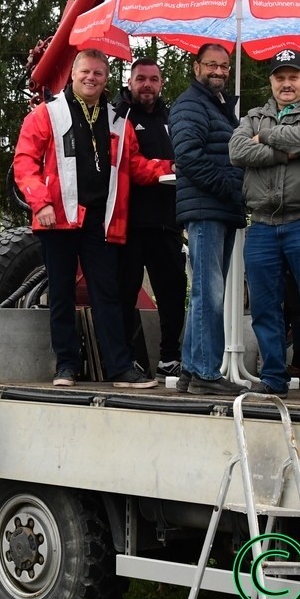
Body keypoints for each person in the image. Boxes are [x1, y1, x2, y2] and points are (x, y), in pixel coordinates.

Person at [13, 48, 172, 389]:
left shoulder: (118, 120)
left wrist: (171, 169)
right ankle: (66, 366)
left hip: (101, 220)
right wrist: (41, 203)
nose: (91, 78)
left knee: (108, 294)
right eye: (85, 71)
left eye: (98, 73)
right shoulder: (46, 115)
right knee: (61, 294)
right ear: (73, 74)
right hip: (57, 219)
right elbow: (25, 163)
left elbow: (136, 164)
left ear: (107, 79)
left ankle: (119, 368)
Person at [229, 50, 300, 402]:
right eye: (280, 77)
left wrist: (266, 137)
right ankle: (273, 375)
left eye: (294, 76)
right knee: (263, 306)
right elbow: (237, 151)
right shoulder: (253, 116)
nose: (286, 83)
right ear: (271, 82)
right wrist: (286, 149)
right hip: (261, 224)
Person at [168, 44, 248, 396]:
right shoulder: (190, 104)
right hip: (206, 209)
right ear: (196, 66)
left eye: (225, 66)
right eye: (211, 65)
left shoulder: (217, 105)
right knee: (209, 293)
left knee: (205, 291)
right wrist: (231, 186)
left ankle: (190, 368)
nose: (219, 71)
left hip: (219, 209)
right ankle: (204, 371)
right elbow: (188, 157)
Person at [112, 57, 185, 379]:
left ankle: (170, 356)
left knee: (172, 292)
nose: (147, 85)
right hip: (127, 224)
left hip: (167, 221)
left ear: (161, 83)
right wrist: (166, 168)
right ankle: (127, 358)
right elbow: (130, 164)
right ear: (130, 81)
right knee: (124, 294)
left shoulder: (173, 117)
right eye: (141, 79)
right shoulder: (118, 115)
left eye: (153, 79)